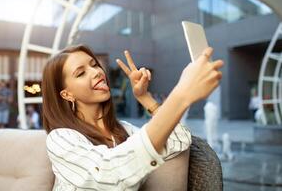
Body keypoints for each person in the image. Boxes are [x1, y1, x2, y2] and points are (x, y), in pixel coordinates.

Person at [42, 45, 223, 190]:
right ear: (67, 95)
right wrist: (181, 95)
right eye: (81, 73)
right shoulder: (60, 138)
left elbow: (180, 141)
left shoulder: (124, 130)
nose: (96, 72)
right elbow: (107, 175)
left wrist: (144, 97)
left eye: (94, 64)